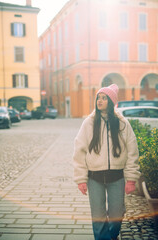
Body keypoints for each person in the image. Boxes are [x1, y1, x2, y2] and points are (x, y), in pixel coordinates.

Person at [73, 84, 140, 240]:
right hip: (94, 177)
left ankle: (111, 235)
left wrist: (131, 179)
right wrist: (81, 179)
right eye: (98, 98)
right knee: (98, 215)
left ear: (111, 101)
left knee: (117, 213)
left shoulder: (122, 123)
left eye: (104, 98)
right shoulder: (89, 123)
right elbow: (79, 151)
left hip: (117, 177)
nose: (100, 101)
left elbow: (132, 151)